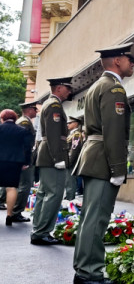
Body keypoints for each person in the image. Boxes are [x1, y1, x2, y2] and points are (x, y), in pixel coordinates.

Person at [72, 42, 134, 284]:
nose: (132, 62)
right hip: (103, 161)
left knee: (91, 218)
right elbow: (114, 132)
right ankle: (88, 272)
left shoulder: (98, 85)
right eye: (129, 58)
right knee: (96, 219)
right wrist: (119, 169)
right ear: (117, 61)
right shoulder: (113, 88)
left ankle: (85, 269)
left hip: (95, 157)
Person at [31, 77, 73, 245]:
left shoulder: (49, 104)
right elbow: (54, 134)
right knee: (54, 194)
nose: (69, 91)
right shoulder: (54, 105)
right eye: (67, 88)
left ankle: (38, 229)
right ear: (59, 88)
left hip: (47, 155)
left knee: (43, 193)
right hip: (52, 156)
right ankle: (42, 232)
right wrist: (57, 158)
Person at [0, 110, 34, 226]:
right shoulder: (23, 131)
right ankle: (9, 215)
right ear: (15, 119)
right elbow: (28, 148)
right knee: (12, 188)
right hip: (14, 162)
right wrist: (26, 162)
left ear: (2, 118)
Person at [7, 101, 38, 223]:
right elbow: (24, 144)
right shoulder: (25, 123)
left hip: (20, 159)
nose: (36, 111)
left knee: (22, 185)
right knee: (25, 185)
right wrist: (25, 161)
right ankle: (16, 212)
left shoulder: (22, 121)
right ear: (29, 110)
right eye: (35, 109)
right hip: (24, 159)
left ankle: (15, 211)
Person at [65, 116, 84, 201]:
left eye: (70, 123)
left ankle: (70, 200)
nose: (68, 124)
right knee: (68, 182)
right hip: (69, 161)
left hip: (72, 162)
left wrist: (69, 162)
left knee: (70, 183)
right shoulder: (72, 134)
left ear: (76, 124)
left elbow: (74, 150)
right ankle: (69, 197)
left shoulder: (76, 134)